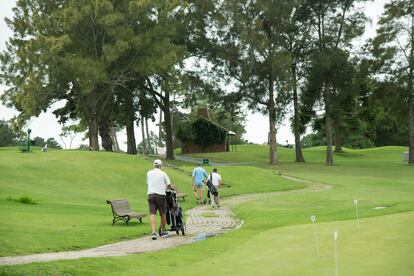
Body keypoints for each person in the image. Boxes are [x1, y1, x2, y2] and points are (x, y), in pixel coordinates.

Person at [147, 159, 171, 240]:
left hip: (151, 195)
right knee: (162, 214)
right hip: (160, 195)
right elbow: (169, 184)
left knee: (152, 213)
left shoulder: (149, 173)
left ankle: (153, 233)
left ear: (154, 165)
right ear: (161, 166)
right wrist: (167, 188)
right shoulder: (163, 173)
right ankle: (163, 231)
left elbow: (148, 183)